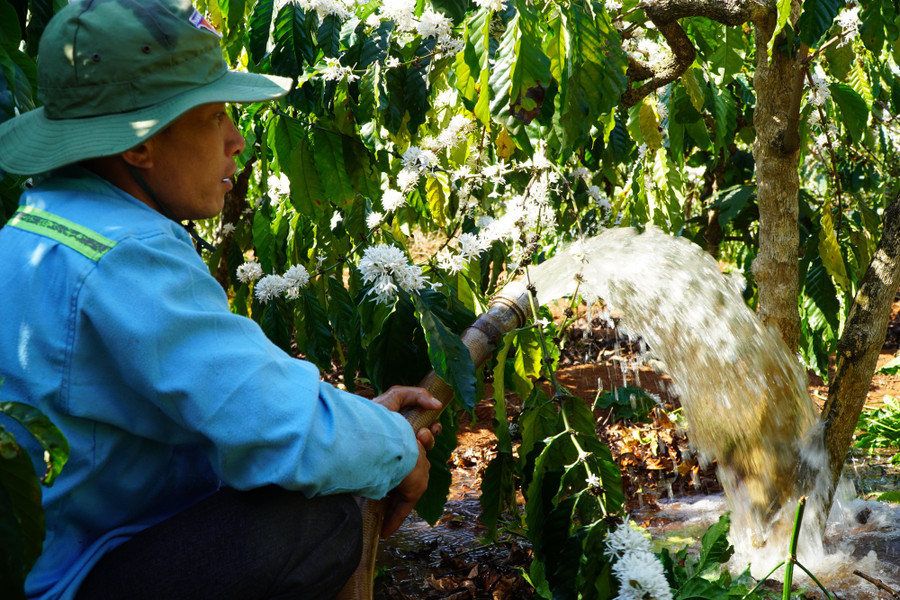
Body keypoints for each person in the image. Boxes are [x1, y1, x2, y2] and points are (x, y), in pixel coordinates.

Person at [0, 1, 442, 599]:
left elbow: (228, 392)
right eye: (213, 117)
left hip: (46, 555)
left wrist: (355, 419)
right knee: (319, 518)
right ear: (139, 145)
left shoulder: (39, 228)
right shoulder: (126, 255)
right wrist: (395, 450)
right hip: (75, 577)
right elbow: (275, 429)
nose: (236, 141)